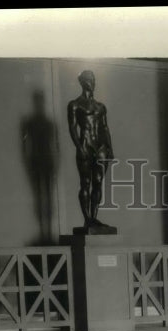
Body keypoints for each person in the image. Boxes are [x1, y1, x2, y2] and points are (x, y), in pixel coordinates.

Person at [67, 70, 115, 230]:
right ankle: (87, 219)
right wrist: (79, 147)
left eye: (94, 79)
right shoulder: (75, 104)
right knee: (85, 183)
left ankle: (93, 218)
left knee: (98, 183)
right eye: (89, 79)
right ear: (81, 81)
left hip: (100, 147)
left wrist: (110, 148)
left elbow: (105, 127)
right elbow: (72, 128)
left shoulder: (101, 106)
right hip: (85, 146)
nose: (92, 82)